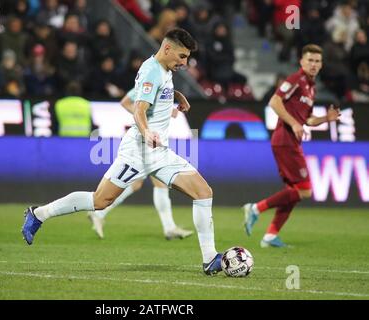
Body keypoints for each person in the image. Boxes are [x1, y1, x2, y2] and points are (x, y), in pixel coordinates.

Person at [22, 28, 224, 275]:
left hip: (160, 152)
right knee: (100, 200)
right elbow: (139, 109)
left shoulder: (163, 69)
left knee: (203, 192)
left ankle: (210, 258)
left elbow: (152, 94)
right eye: (182, 56)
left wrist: (177, 96)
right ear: (168, 48)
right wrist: (147, 132)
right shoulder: (152, 70)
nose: (184, 62)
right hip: (139, 151)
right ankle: (38, 214)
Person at [243, 44, 341, 248]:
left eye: (317, 61)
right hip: (284, 140)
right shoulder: (296, 80)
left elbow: (308, 120)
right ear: (301, 61)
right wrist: (294, 123)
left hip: (290, 141)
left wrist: (326, 118)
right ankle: (255, 208)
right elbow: (274, 101)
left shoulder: (311, 88)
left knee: (293, 192)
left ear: (321, 64)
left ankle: (270, 236)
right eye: (310, 60)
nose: (313, 64)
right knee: (305, 191)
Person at [87, 88, 193, 240]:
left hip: (149, 138)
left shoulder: (160, 82)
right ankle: (169, 228)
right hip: (145, 139)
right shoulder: (149, 82)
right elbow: (125, 103)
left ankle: (99, 213)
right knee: (159, 183)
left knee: (139, 184)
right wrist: (145, 117)